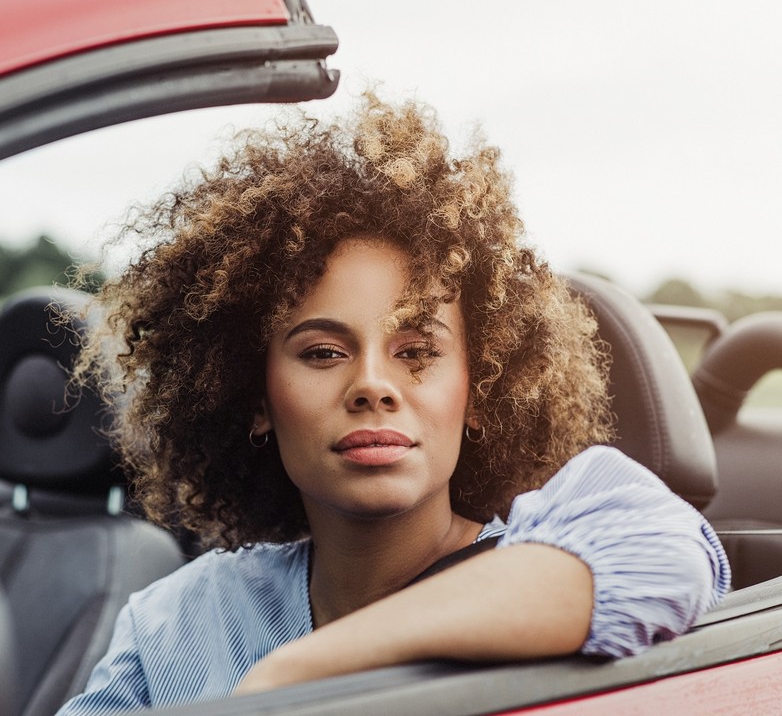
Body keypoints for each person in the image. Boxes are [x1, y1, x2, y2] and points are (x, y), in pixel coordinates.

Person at [58, 93, 729, 714]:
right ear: (255, 395)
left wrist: (290, 676)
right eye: (322, 352)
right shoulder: (172, 625)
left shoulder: (561, 556)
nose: (372, 385)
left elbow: (658, 554)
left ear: (478, 390)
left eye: (416, 352)